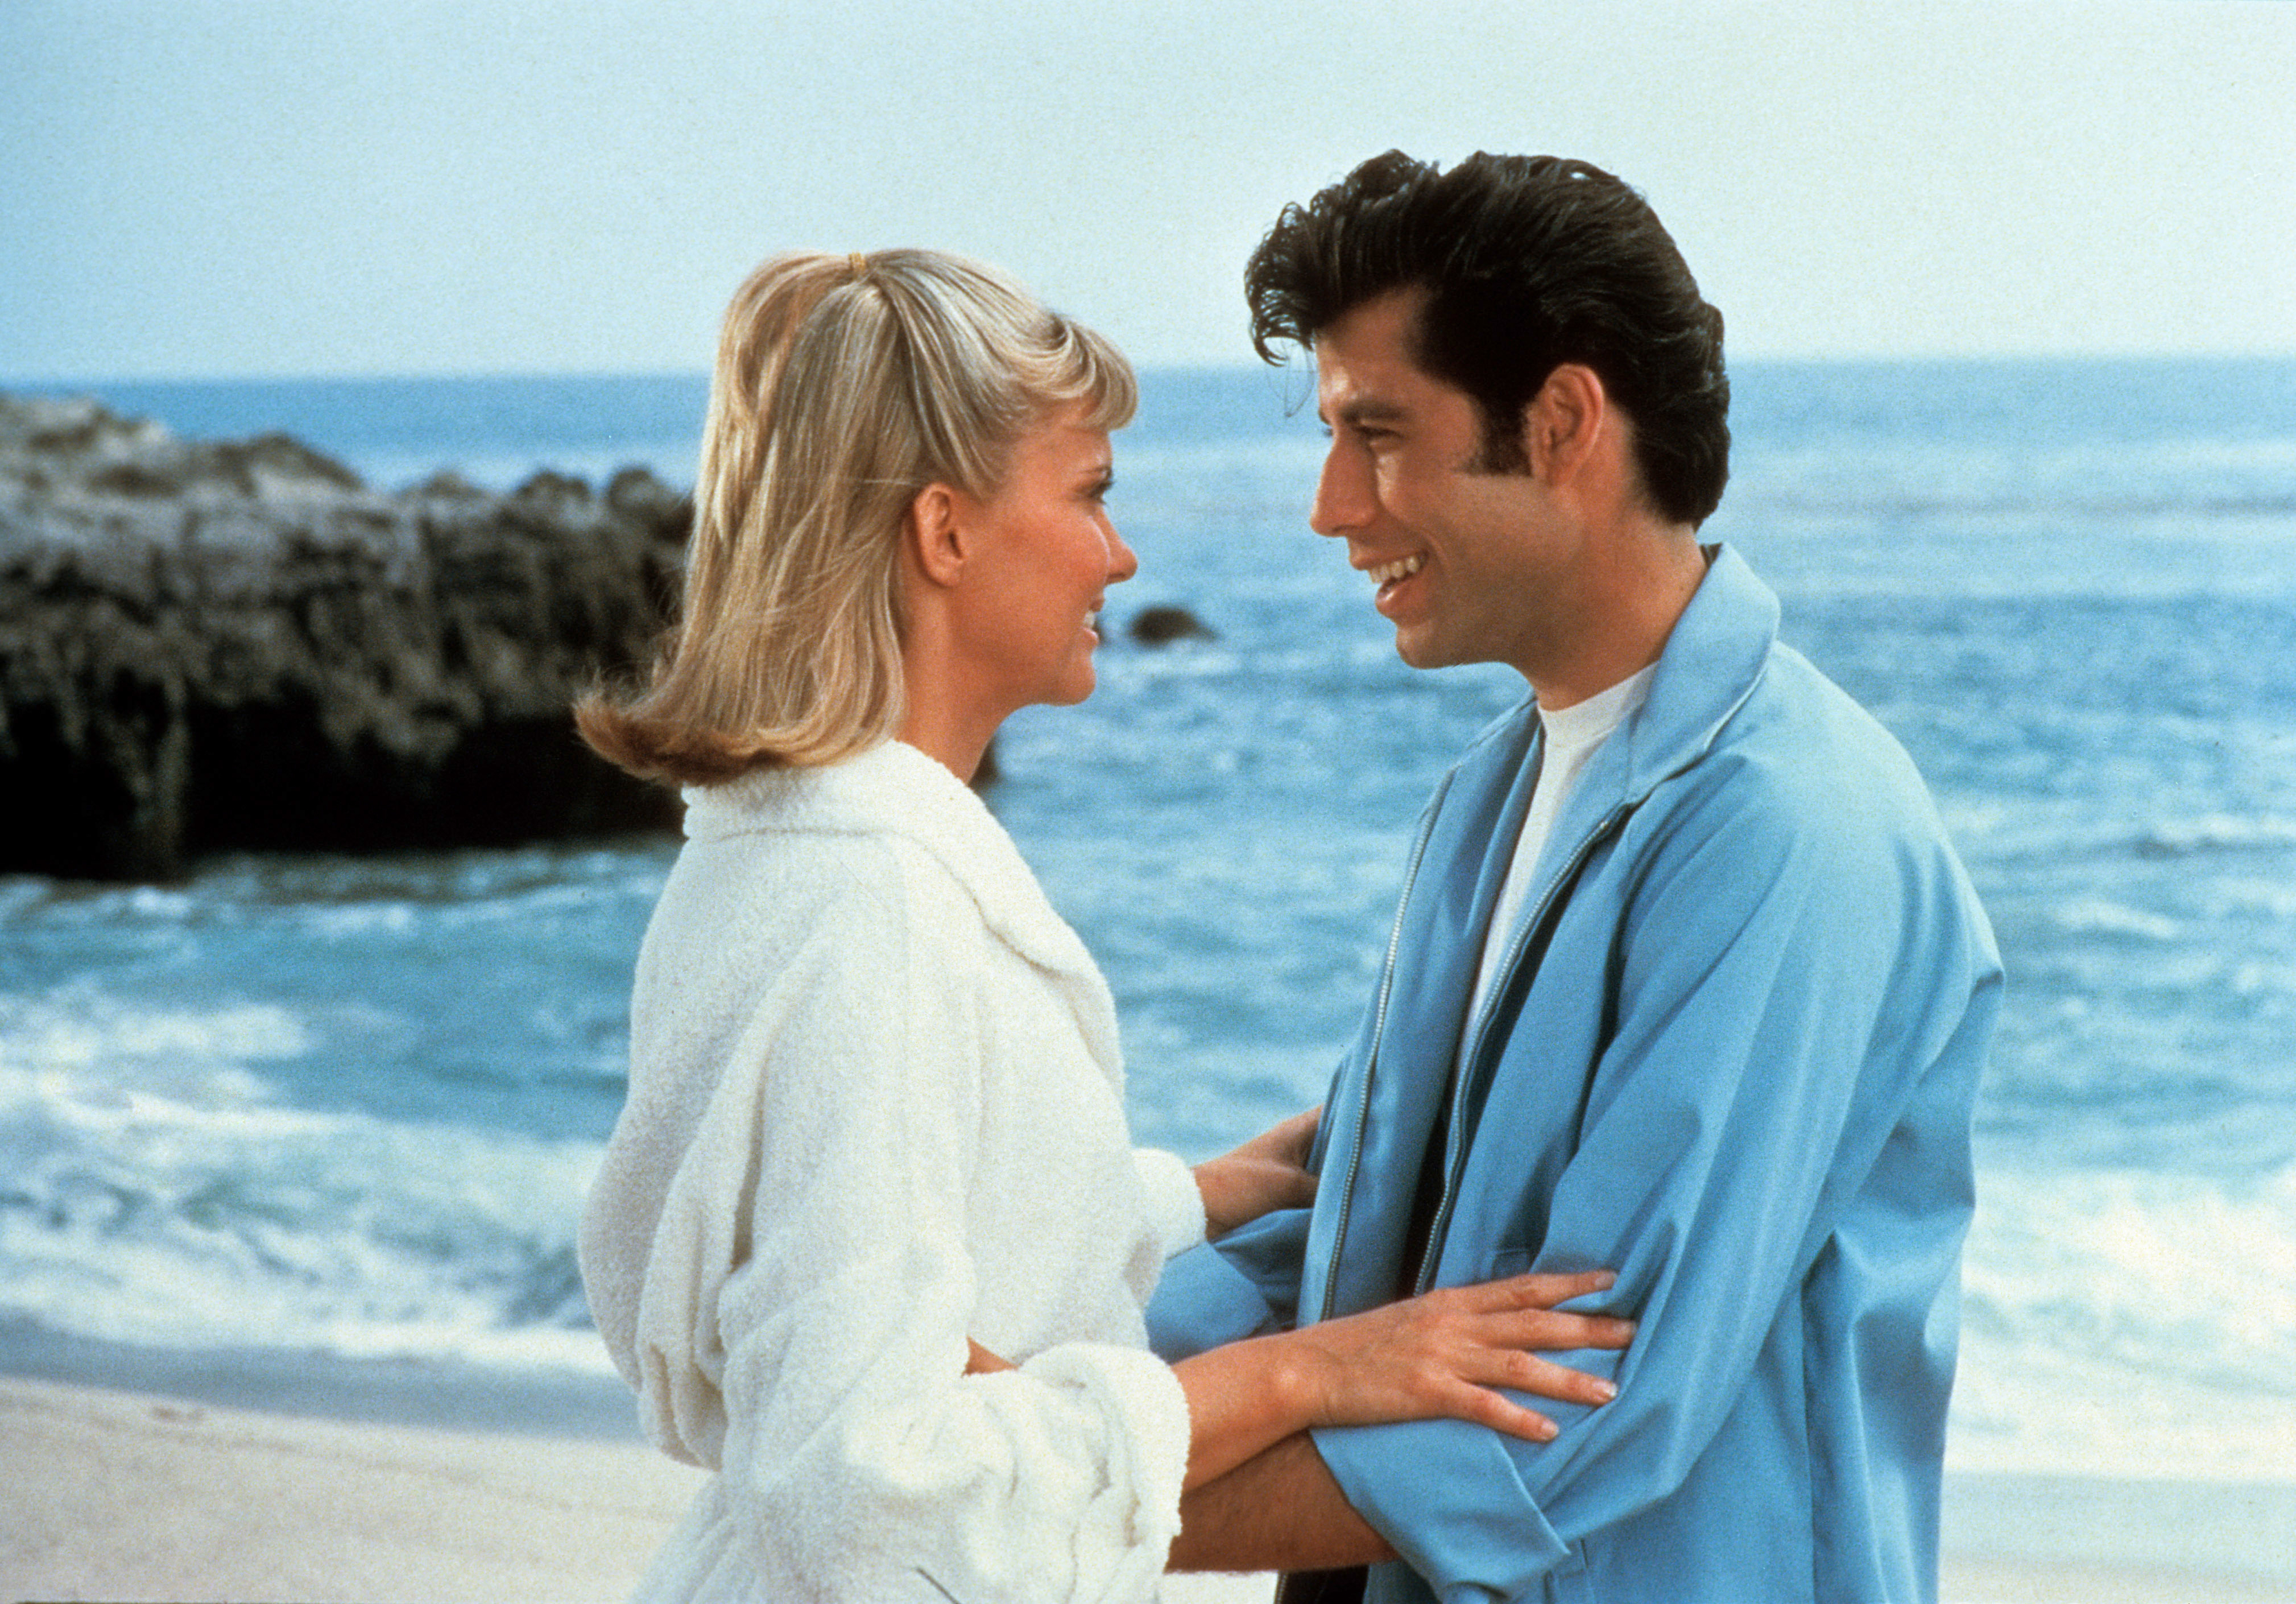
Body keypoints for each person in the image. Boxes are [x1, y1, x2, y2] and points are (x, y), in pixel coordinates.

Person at [574, 247, 1634, 1604]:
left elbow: (877, 1244)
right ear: (942, 531)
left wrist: (1197, 1194)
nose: (1120, 554)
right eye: (1089, 494)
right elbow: (864, 1487)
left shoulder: (772, 851)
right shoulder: (872, 908)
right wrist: (1312, 1370)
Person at [1146, 154, 2004, 1603]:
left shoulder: (1786, 829)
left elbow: (1564, 1408)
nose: (1329, 506)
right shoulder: (1490, 795)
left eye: (1376, 433)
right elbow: (1370, 1245)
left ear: (1558, 424)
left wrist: (1023, 1500)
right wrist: (1015, 1354)